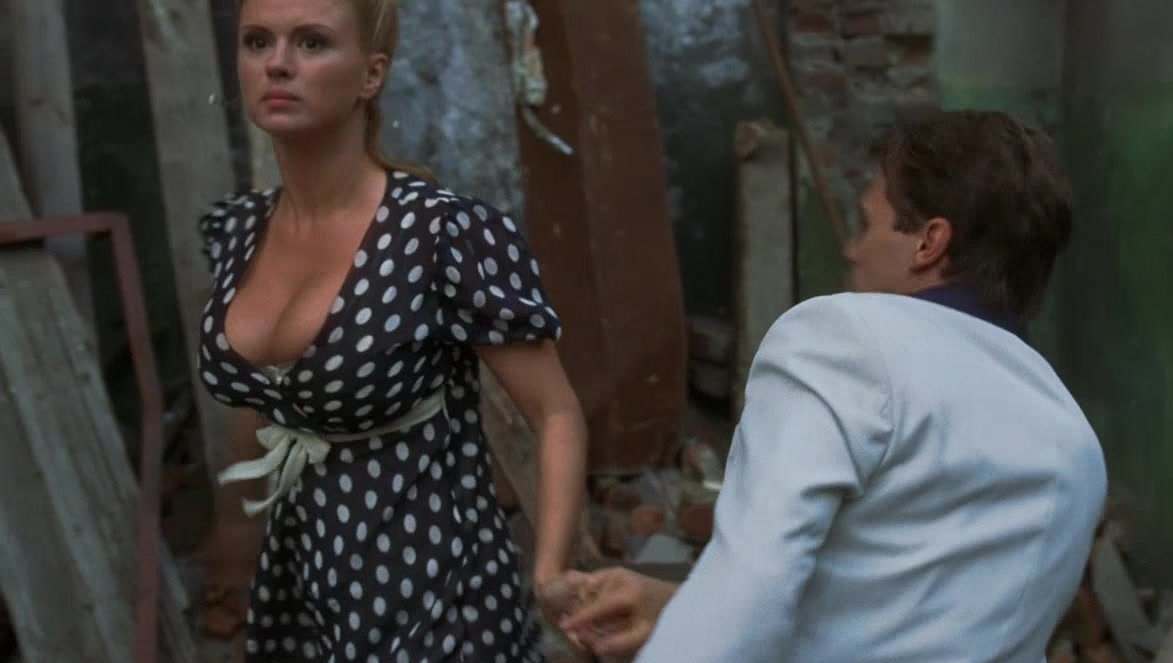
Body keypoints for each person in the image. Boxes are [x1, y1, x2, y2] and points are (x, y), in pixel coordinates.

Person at [557, 110, 1108, 662]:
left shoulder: (846, 339)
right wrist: (676, 608)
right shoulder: (1073, 442)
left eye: (866, 226)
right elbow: (907, 618)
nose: (850, 250)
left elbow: (755, 579)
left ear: (930, 242)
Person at [195, 0, 588, 660]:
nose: (277, 64)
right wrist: (234, 531)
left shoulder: (440, 234)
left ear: (371, 74)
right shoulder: (239, 231)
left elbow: (555, 412)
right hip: (301, 590)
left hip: (436, 597)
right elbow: (260, 398)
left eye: (312, 43)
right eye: (257, 41)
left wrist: (549, 569)